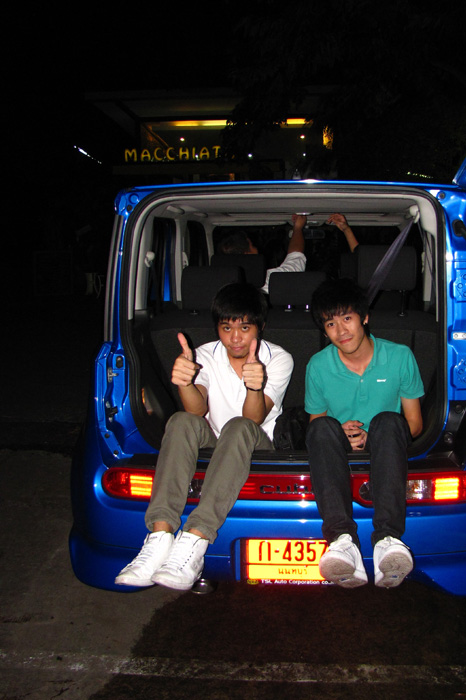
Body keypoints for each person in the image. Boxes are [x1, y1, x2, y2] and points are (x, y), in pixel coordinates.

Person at [115, 282, 293, 591]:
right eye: (226, 328)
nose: (234, 338)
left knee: (238, 426)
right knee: (181, 421)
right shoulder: (204, 355)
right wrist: (185, 383)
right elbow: (196, 411)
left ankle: (195, 539)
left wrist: (254, 386)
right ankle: (159, 537)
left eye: (245, 328)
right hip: (215, 440)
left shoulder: (279, 358)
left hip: (257, 444)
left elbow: (253, 418)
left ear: (260, 327)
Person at [304, 278, 424, 588]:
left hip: (387, 443)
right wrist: (341, 433)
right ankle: (342, 540)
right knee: (321, 428)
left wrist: (374, 436)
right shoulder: (318, 365)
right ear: (324, 331)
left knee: (389, 421)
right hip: (337, 450)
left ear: (365, 317)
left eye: (347, 318)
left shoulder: (399, 356)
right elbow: (317, 424)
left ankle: (387, 539)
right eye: (331, 324)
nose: (341, 330)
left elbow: (414, 424)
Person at [217, 215, 308, 294]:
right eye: (252, 245)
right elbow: (295, 262)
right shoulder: (267, 282)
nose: (256, 249)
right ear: (247, 255)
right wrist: (298, 228)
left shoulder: (218, 288)